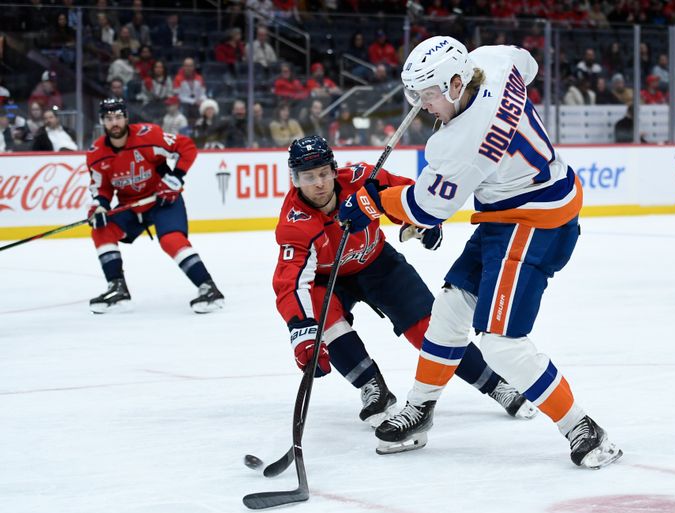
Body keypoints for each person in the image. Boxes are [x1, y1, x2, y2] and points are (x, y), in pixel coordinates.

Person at [338, 36, 622, 468]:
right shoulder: (493, 60)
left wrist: (371, 201)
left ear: (455, 84)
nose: (422, 104)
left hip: (534, 223)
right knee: (450, 310)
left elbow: (426, 208)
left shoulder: (462, 140)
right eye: (416, 94)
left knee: (501, 343)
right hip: (514, 209)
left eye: (429, 94)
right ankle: (420, 408)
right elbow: (526, 65)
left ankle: (584, 429)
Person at [274, 135, 536, 427]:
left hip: (378, 264)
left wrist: (424, 221)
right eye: (309, 177)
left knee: (431, 331)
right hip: (328, 280)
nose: (319, 183)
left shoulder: (362, 179)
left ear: (335, 170)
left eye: (323, 173)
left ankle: (496, 384)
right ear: (295, 180)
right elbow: (291, 281)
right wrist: (302, 330)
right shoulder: (294, 223)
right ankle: (372, 388)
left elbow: (409, 195)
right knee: (324, 323)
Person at [85, 98, 224, 313]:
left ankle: (208, 287)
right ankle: (117, 288)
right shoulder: (96, 154)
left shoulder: (148, 135)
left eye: (119, 117)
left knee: (171, 240)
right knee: (101, 229)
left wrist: (175, 178)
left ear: (126, 118)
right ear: (102, 121)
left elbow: (186, 146)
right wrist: (100, 206)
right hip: (130, 207)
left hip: (163, 199)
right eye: (109, 118)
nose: (115, 122)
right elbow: (101, 188)